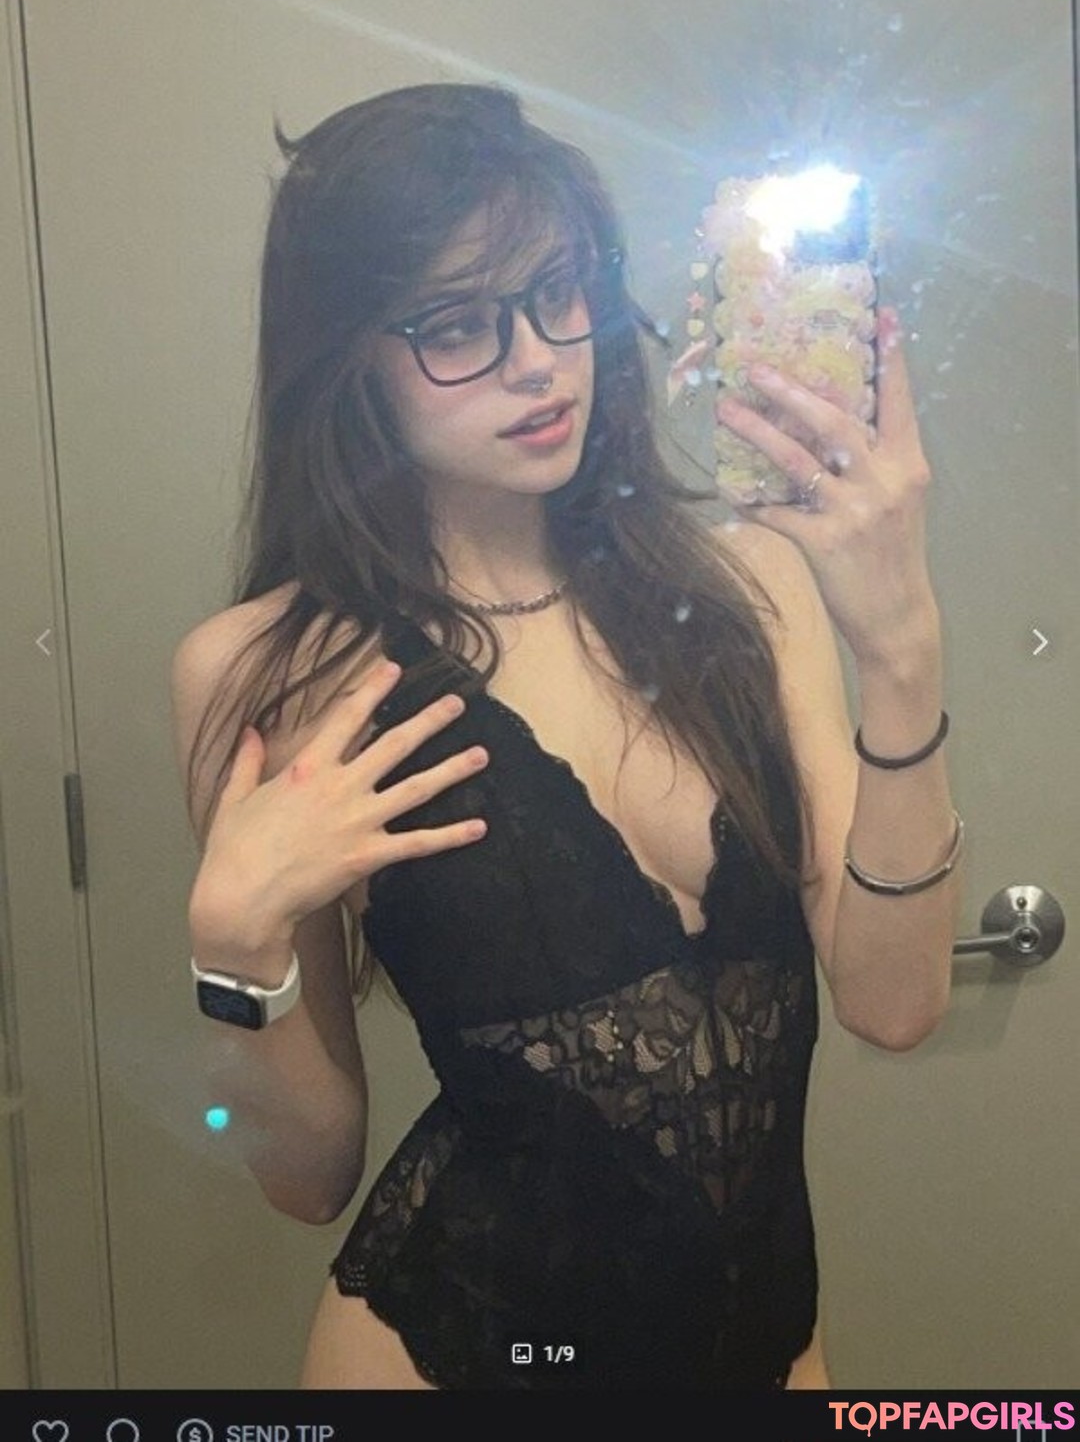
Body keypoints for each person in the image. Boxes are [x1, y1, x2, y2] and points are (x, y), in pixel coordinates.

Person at [172, 84, 962, 1391]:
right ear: (350, 354)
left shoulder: (748, 589)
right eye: (457, 325)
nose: (539, 358)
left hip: (769, 1357)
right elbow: (308, 1176)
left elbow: (896, 1002)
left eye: (558, 291)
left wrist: (902, 650)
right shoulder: (278, 670)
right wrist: (234, 950)